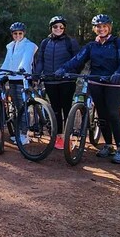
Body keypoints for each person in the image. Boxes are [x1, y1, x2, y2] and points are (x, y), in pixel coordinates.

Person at [57, 14, 120, 164]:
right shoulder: (92, 46)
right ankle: (108, 145)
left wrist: (119, 73)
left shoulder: (117, 43)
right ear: (95, 29)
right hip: (96, 82)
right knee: (102, 115)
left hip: (114, 83)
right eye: (98, 27)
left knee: (113, 113)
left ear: (109, 27)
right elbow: (77, 59)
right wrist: (63, 69)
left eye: (104, 26)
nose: (101, 29)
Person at [33, 16, 80, 149]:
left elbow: (78, 60)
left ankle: (69, 136)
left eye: (61, 27)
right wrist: (36, 75)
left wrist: (72, 73)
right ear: (51, 28)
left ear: (64, 28)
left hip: (66, 81)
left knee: (67, 109)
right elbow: (40, 60)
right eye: (55, 27)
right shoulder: (45, 42)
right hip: (50, 81)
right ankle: (59, 136)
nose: (58, 29)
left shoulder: (70, 42)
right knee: (55, 110)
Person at [0, 22, 38, 144]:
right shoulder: (10, 46)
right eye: (15, 33)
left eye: (20, 33)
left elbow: (26, 59)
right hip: (12, 79)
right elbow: (7, 62)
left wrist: (21, 68)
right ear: (12, 34)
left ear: (24, 33)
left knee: (23, 107)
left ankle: (24, 135)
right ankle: (20, 132)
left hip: (23, 79)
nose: (18, 35)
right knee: (17, 107)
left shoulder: (29, 45)